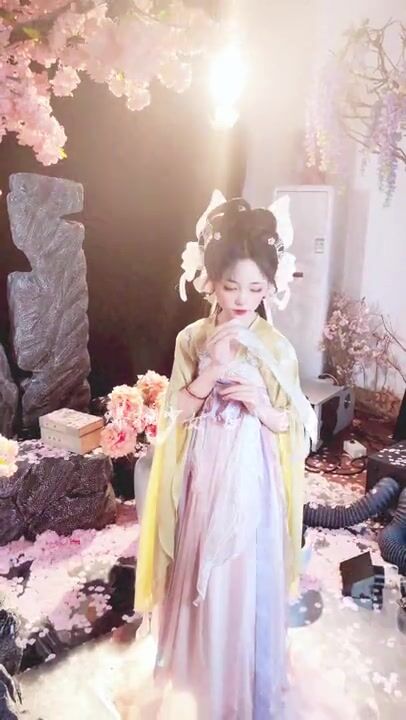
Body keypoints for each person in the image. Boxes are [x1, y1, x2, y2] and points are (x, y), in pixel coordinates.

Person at [134, 196, 317, 719]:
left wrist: (262, 405)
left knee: (244, 571)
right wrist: (210, 372)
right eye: (231, 286)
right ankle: (198, 681)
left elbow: (296, 425)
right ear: (210, 280)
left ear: (270, 287)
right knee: (200, 568)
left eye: (256, 289)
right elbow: (174, 414)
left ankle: (241, 683)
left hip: (253, 472)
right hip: (204, 468)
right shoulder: (191, 338)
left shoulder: (275, 345)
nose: (243, 300)